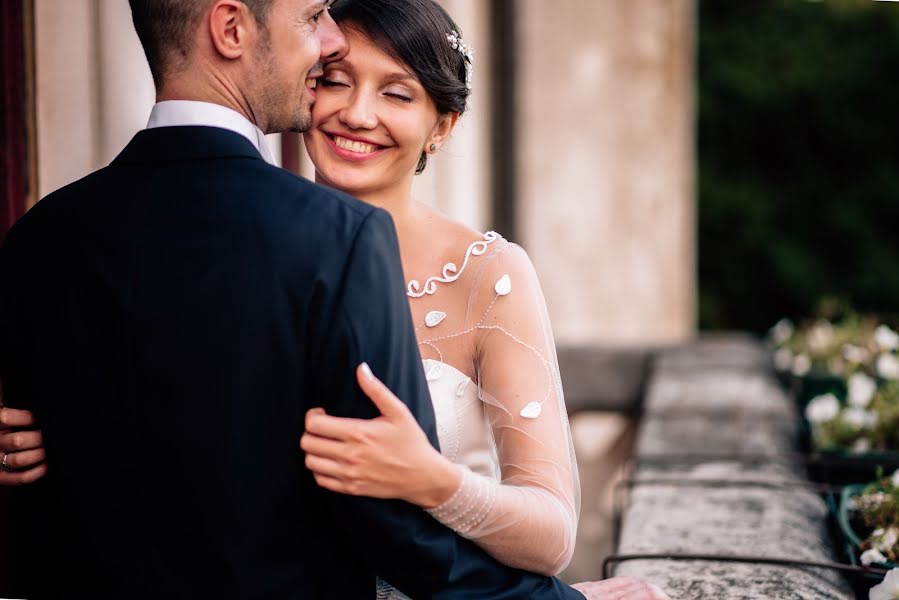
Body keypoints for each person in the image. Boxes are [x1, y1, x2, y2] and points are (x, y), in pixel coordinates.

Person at [0, 0, 668, 598]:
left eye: (398, 94)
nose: (356, 112)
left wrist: (434, 481)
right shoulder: (260, 240)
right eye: (333, 79)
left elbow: (549, 527)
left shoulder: (487, 273)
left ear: (443, 125)